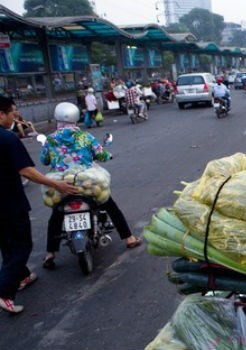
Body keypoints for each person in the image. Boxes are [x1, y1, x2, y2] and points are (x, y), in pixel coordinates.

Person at [40, 102, 142, 270]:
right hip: (87, 182)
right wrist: (107, 155)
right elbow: (101, 154)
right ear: (75, 117)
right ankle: (129, 238)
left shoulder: (50, 139)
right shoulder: (85, 137)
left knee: (56, 216)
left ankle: (50, 253)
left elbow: (44, 160)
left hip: (62, 183)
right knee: (110, 206)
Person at [0, 95, 78, 314]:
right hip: (9, 203)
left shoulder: (50, 139)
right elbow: (26, 171)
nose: (14, 117)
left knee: (7, 244)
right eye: (12, 113)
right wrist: (56, 184)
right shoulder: (7, 139)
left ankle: (22, 275)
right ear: (1, 114)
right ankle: (5, 293)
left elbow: (44, 158)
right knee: (20, 246)